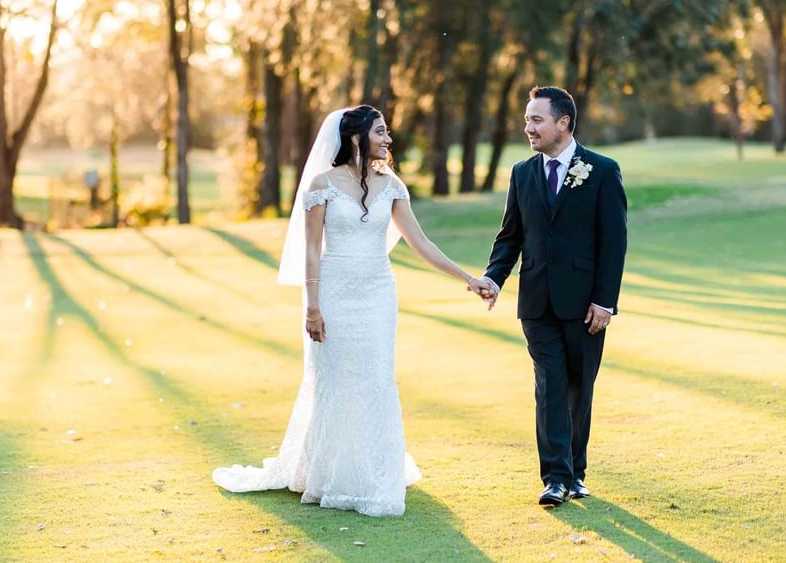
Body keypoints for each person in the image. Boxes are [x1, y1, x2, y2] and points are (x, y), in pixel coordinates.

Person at [213, 105, 493, 517]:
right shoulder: (322, 184)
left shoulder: (392, 184)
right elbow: (311, 250)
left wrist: (467, 278)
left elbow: (421, 243)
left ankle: (376, 474)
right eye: (381, 132)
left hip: (379, 295)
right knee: (336, 383)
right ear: (357, 137)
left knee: (377, 380)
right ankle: (332, 475)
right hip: (334, 294)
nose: (389, 139)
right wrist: (313, 307)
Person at [475, 86, 628, 506]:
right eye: (527, 120)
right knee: (550, 386)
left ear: (563, 123)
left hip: (585, 306)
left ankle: (576, 473)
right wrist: (494, 277)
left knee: (580, 388)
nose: (528, 127)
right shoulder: (522, 173)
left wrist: (604, 300)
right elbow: (511, 236)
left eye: (536, 119)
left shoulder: (602, 170)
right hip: (537, 303)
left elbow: (613, 242)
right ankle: (555, 479)